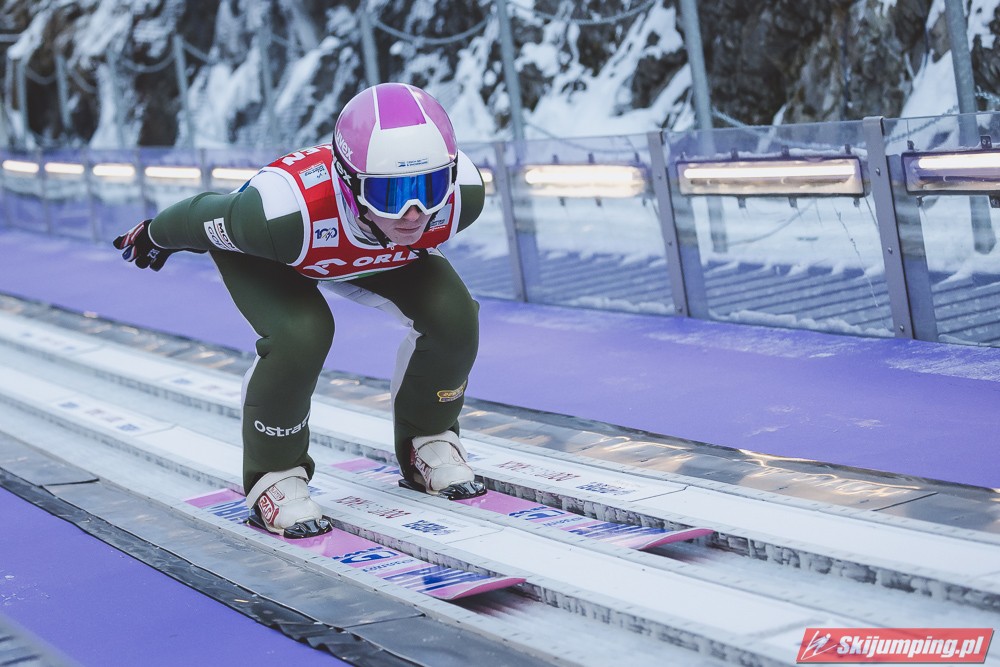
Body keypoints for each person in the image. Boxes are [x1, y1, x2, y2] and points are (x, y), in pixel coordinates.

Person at [113, 82, 487, 539]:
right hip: (279, 255)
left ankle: (428, 438)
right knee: (302, 334)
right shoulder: (278, 216)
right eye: (390, 195)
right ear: (349, 183)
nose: (414, 213)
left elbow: (414, 218)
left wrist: (395, 212)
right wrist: (155, 234)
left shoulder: (464, 196)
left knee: (454, 317)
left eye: (430, 188)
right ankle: (274, 474)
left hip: (374, 251)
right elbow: (203, 216)